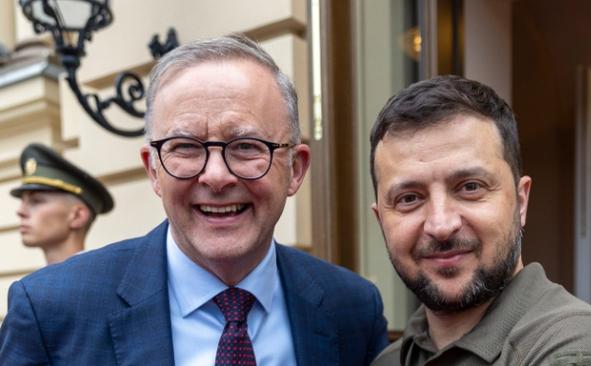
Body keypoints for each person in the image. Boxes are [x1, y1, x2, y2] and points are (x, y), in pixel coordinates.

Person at [0, 34, 388, 365]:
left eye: (247, 146)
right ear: (153, 169)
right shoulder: (49, 313)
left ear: (295, 169)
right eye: (185, 146)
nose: (216, 176)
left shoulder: (352, 310)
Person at [369, 75, 591, 365]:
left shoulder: (580, 349)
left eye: (470, 187)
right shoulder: (388, 360)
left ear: (521, 202)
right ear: (381, 220)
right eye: (409, 198)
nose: (440, 225)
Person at [10, 143, 114, 265]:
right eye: (23, 201)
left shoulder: (97, 281)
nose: (20, 211)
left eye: (36, 201)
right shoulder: (34, 282)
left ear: (77, 215)